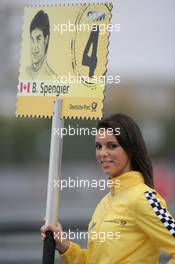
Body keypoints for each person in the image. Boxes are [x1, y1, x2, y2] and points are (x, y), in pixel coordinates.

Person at [40, 113, 175, 263]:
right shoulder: (104, 203)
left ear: (130, 149)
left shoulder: (146, 198)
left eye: (111, 146)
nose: (102, 153)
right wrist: (64, 245)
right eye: (98, 146)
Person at [25, 10, 57, 80]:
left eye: (38, 39)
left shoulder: (53, 79)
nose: (34, 47)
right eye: (32, 39)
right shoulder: (25, 73)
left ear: (46, 40)